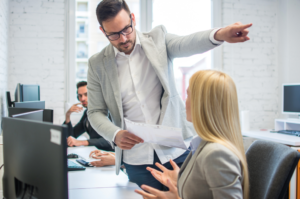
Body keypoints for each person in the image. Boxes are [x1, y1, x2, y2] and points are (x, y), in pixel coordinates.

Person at [87, 0, 252, 190]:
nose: (123, 39)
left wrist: (219, 34)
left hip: (177, 150)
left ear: (132, 19)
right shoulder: (97, 64)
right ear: (102, 31)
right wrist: (115, 134)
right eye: (114, 35)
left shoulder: (158, 38)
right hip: (137, 159)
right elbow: (95, 112)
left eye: (126, 29)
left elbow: (186, 43)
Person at [135, 70, 249, 199]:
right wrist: (183, 179)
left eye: (188, 95)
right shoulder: (202, 144)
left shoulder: (217, 153)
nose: (185, 101)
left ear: (202, 103)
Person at [64, 81, 114, 151]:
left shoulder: (105, 111)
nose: (82, 99)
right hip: (95, 152)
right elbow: (72, 135)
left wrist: (82, 142)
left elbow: (111, 140)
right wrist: (68, 115)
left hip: (109, 154)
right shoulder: (87, 113)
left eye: (86, 94)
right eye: (80, 96)